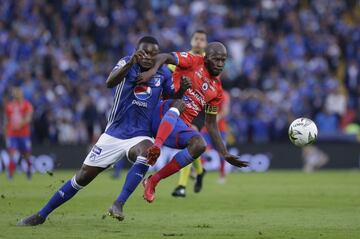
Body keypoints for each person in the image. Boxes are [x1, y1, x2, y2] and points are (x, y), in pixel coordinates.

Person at [17, 36, 190, 226]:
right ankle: (41, 215)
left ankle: (118, 204)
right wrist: (131, 61)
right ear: (136, 51)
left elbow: (169, 97)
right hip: (114, 134)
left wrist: (181, 90)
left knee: (148, 153)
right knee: (81, 178)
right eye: (144, 52)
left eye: (153, 53)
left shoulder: (163, 73)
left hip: (140, 134)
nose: (148, 56)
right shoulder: (127, 62)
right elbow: (110, 82)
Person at [138, 42, 249, 203]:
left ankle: (153, 181)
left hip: (177, 128)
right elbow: (164, 56)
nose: (219, 64)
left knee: (200, 145)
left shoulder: (217, 90)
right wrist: (151, 72)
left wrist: (224, 153)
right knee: (178, 104)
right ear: (206, 58)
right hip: (161, 114)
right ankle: (156, 147)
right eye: (215, 59)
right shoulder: (193, 61)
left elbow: (211, 123)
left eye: (223, 60)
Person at [168, 30, 208, 197]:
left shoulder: (209, 61)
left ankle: (181, 186)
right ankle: (199, 171)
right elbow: (168, 70)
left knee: (191, 140)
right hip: (181, 104)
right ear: (191, 40)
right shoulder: (182, 58)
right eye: (196, 38)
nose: (199, 42)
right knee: (191, 143)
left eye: (202, 39)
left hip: (199, 108)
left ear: (205, 43)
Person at [4, 86, 33, 180]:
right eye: (15, 93)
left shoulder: (27, 105)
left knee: (27, 155)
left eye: (18, 93)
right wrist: (6, 131)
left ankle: (28, 170)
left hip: (24, 134)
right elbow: (7, 120)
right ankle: (10, 174)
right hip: (12, 134)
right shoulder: (9, 106)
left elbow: (28, 118)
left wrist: (20, 124)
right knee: (12, 153)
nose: (16, 95)